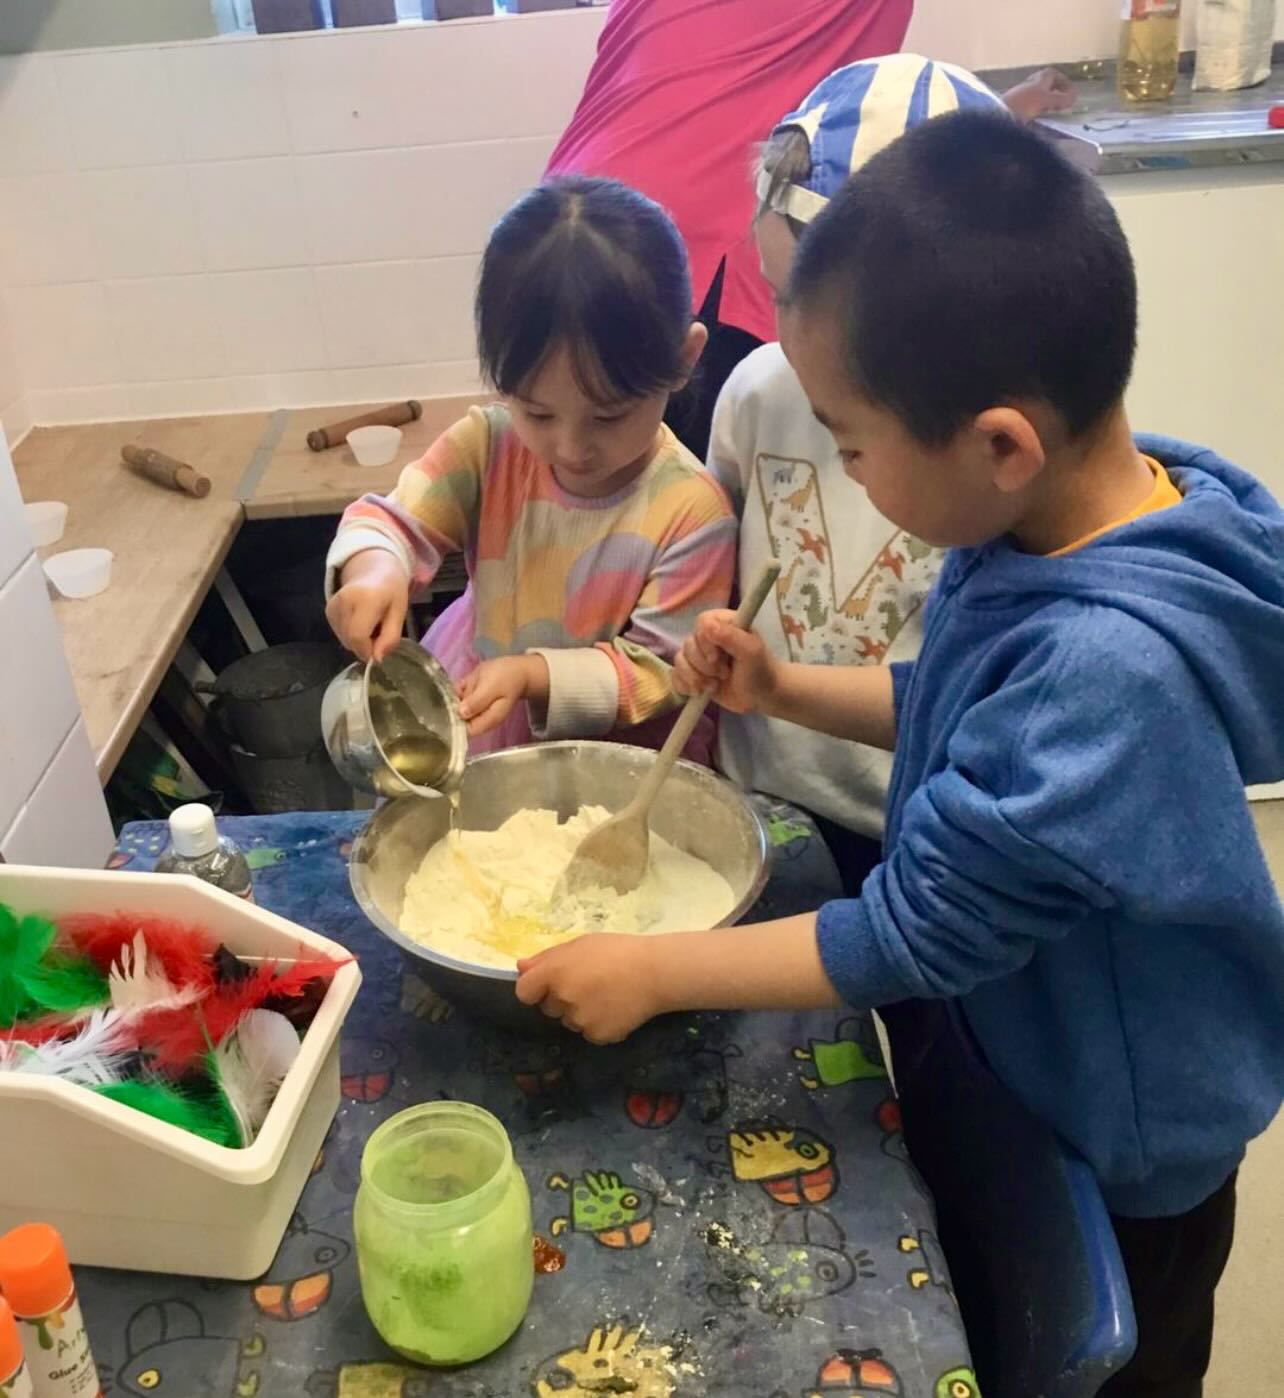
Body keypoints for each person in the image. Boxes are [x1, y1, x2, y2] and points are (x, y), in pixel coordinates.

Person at [516, 114, 1284, 1395]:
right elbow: (966, 703)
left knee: (1110, 1366)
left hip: (1126, 1135)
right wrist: (787, 686)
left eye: (853, 443)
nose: (847, 471)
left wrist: (654, 967)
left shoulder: (1111, 672)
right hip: (1037, 1041)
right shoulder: (1064, 518)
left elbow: (911, 934)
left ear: (998, 444)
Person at [710, 52, 1008, 895]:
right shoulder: (758, 390)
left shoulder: (986, 465)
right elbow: (712, 548)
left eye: (815, 315)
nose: (789, 347)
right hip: (762, 802)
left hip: (913, 832)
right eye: (774, 297)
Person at [545, 0, 1074, 456]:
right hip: (701, 230)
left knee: (568, 491)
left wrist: (989, 111)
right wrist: (986, 123)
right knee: (690, 524)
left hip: (569, 217)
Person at [325, 177, 736, 762]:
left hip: (611, 763)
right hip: (480, 722)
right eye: (537, 412)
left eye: (608, 417)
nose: (570, 447)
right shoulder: (487, 446)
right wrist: (373, 571)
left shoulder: (692, 513)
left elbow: (659, 671)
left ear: (683, 358)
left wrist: (533, 675)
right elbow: (390, 521)